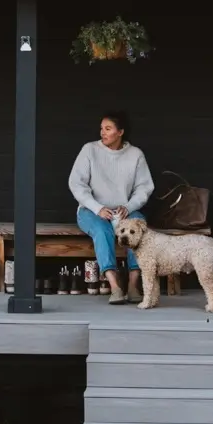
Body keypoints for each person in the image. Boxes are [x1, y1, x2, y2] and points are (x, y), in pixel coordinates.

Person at [69, 111, 154, 305]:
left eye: (108, 129)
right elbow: (77, 184)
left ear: (121, 132)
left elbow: (144, 187)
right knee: (102, 230)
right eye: (101, 128)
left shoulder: (135, 155)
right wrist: (97, 208)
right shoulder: (89, 150)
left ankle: (133, 285)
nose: (102, 133)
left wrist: (129, 206)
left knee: (138, 226)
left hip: (124, 210)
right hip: (91, 210)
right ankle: (115, 287)